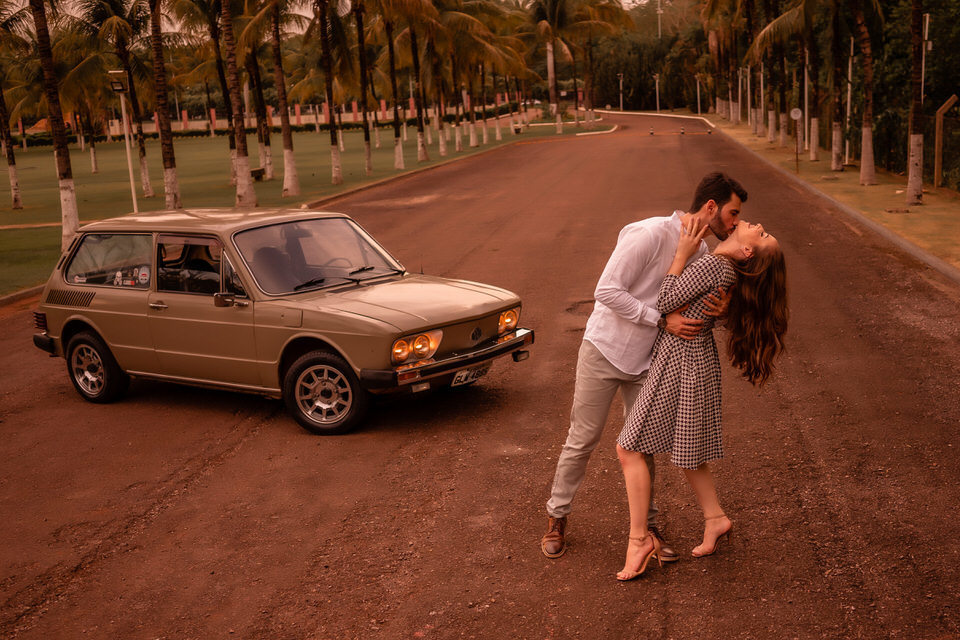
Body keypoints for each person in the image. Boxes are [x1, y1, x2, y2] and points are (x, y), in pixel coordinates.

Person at [541, 172, 748, 560]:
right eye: (733, 213)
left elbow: (691, 309)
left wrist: (722, 312)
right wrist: (658, 319)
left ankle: (648, 529)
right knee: (582, 438)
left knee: (643, 444)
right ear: (710, 207)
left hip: (651, 359)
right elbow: (606, 290)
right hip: (606, 348)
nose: (735, 223)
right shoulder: (650, 234)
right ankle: (557, 517)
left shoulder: (704, 256)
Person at [614, 217, 788, 581]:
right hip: (693, 359)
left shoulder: (714, 265)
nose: (756, 223)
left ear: (746, 250)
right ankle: (716, 518)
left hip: (680, 360)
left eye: (761, 233)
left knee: (629, 450)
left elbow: (665, 301)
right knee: (687, 451)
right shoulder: (723, 270)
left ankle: (638, 540)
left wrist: (679, 255)